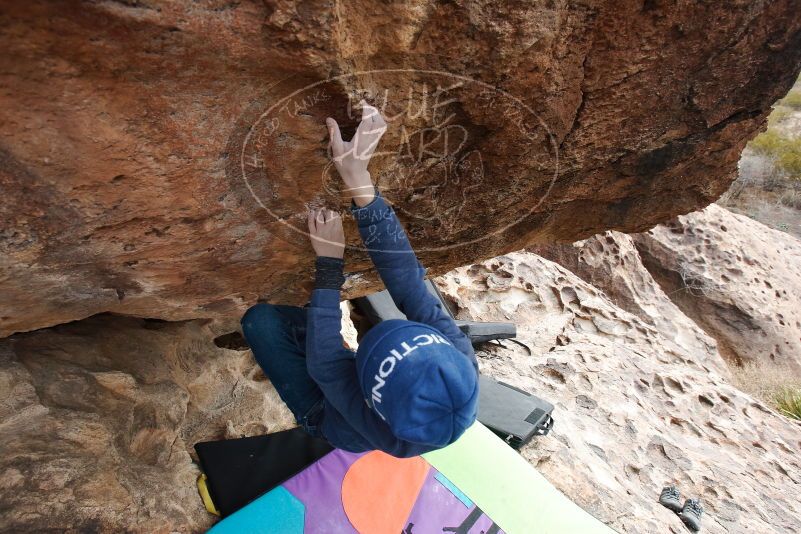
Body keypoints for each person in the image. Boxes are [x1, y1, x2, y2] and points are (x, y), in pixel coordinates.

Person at [241, 102, 479, 458]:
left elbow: (326, 365)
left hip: (331, 418)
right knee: (313, 331)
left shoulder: (381, 429)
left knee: (259, 322)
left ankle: (311, 349)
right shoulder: (459, 364)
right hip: (367, 388)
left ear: (371, 397)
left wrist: (329, 264)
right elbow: (408, 283)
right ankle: (314, 328)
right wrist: (358, 180)